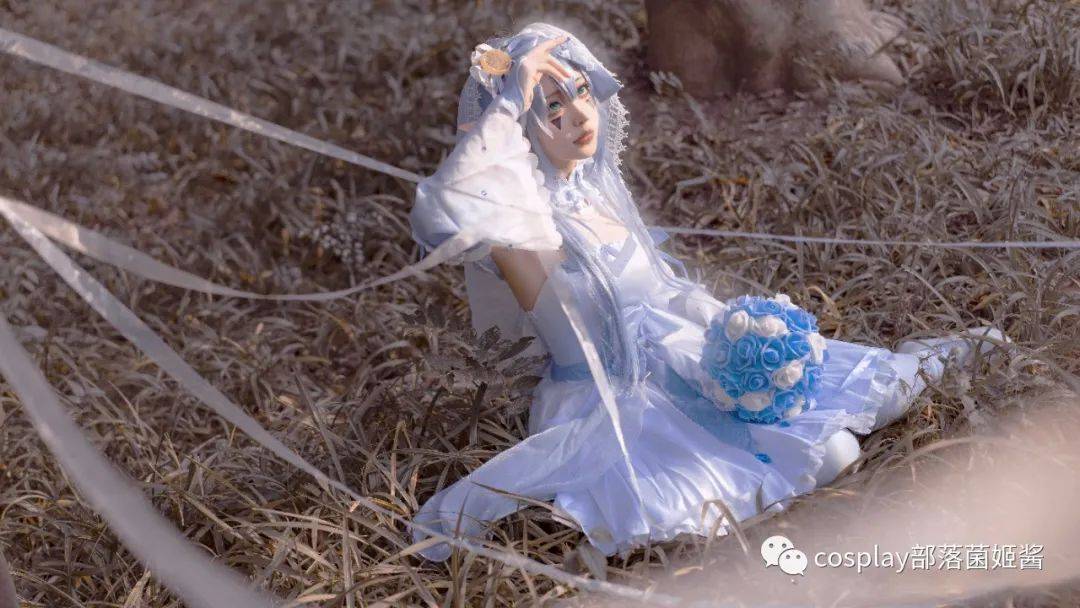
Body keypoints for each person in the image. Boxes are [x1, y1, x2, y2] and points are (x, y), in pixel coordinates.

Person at [408, 23, 1003, 561]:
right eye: (552, 107)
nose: (579, 115)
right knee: (823, 459)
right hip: (613, 403)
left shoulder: (595, 191)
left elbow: (662, 289)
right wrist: (512, 95)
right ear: (517, 130)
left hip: (682, 356)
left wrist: (729, 321)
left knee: (843, 433)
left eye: (581, 92)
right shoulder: (518, 232)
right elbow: (446, 207)